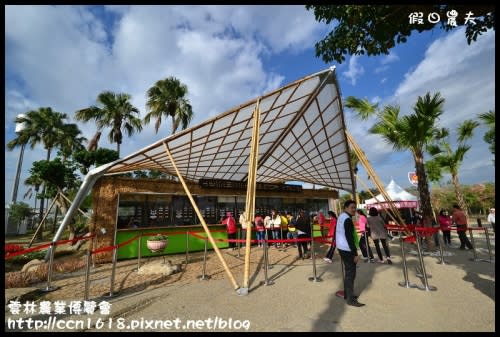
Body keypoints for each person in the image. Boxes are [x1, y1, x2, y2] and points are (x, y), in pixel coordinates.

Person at [336, 200, 365, 307]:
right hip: (347, 249)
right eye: (352, 207)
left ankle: (348, 294)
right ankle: (350, 299)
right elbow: (349, 238)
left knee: (349, 272)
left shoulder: (341, 216)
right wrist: (355, 254)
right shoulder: (347, 219)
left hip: (341, 247)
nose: (354, 210)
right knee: (350, 273)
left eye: (355, 207)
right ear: (346, 208)